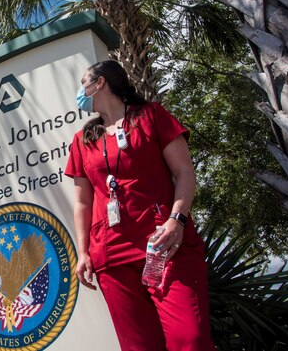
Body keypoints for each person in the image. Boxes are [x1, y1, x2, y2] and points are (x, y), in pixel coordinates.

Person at [65, 60, 215, 351]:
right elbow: (83, 200)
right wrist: (83, 252)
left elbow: (185, 172)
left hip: (164, 244)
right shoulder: (82, 140)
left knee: (190, 340)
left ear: (101, 83)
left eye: (84, 83)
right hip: (112, 255)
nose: (80, 91)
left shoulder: (152, 116)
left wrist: (177, 220)